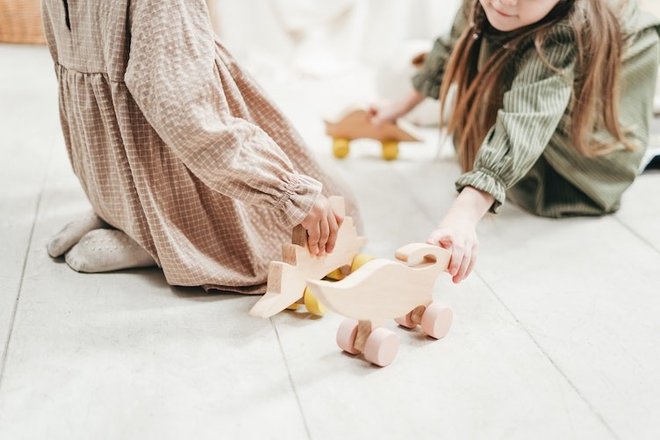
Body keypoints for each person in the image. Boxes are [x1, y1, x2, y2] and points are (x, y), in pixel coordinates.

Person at [41, 0, 359, 294]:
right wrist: (288, 192)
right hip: (166, 165)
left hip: (109, 168)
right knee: (336, 204)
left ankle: (119, 213)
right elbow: (184, 113)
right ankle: (162, 239)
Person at [369, 0, 660, 284]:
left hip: (580, 172)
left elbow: (526, 117)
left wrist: (464, 216)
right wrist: (399, 107)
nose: (505, 1)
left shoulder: (567, 29)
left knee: (528, 96)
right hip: (545, 67)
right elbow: (453, 43)